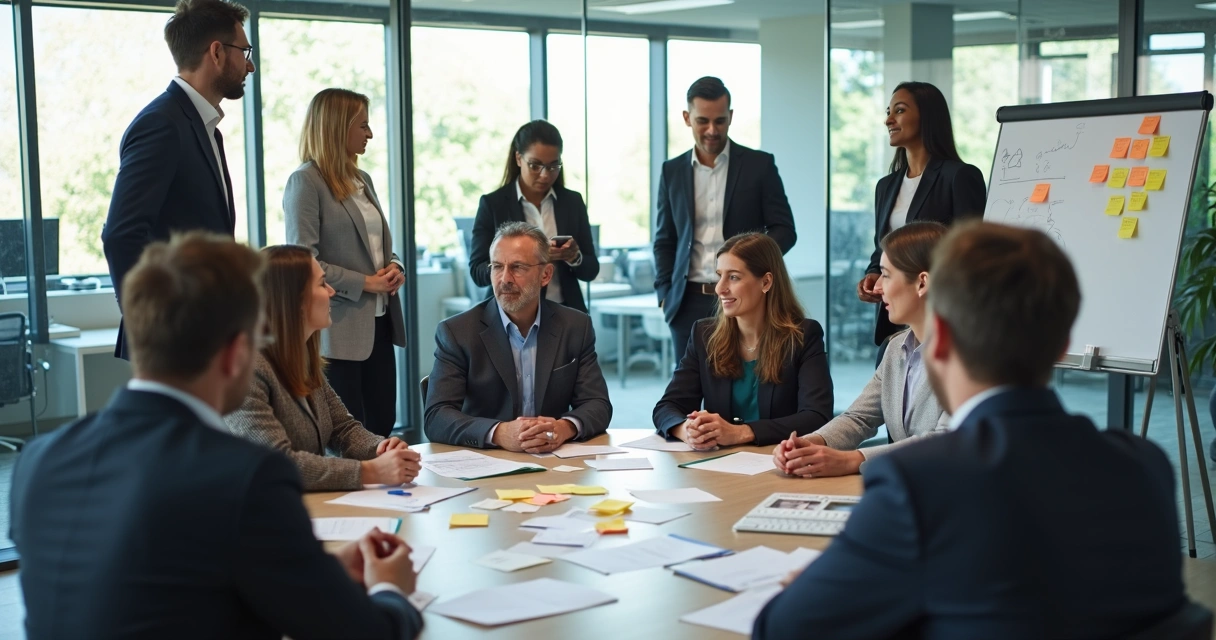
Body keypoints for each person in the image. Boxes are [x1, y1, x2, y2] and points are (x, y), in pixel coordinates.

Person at [754, 222, 1185, 639]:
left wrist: (822, 582)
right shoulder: (1145, 466)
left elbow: (782, 628)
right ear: (1060, 346)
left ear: (938, 340)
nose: (880, 287)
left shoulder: (917, 486)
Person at [11, 232, 422, 639]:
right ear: (235, 353)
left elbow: (165, 590)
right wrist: (391, 588)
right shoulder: (247, 477)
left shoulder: (38, 459)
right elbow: (362, 632)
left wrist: (320, 571)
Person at [102, 0, 255, 360]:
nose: (250, 64)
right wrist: (159, 327)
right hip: (178, 339)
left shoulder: (203, 128)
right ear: (216, 52)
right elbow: (122, 235)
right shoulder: (162, 124)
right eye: (244, 50)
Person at [226, 245, 421, 491]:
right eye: (321, 284)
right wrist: (370, 471)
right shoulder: (246, 371)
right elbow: (276, 463)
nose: (331, 292)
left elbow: (342, 429)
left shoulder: (302, 359)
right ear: (291, 299)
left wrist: (380, 448)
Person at [773, 222, 949, 477]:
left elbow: (946, 440)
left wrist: (851, 460)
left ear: (922, 283)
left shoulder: (971, 356)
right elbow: (858, 418)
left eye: (886, 275)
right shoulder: (895, 348)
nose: (877, 288)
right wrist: (811, 443)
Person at [425, 222, 611, 452]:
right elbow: (437, 416)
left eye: (518, 267)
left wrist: (562, 428)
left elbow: (598, 404)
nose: (505, 279)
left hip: (552, 460)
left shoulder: (575, 326)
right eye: (496, 267)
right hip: (486, 463)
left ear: (546, 275)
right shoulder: (457, 332)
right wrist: (500, 433)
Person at [285, 88, 405, 437]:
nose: (370, 134)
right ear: (337, 127)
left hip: (380, 324)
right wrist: (366, 282)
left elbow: (380, 246)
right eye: (363, 125)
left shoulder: (361, 179)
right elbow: (303, 259)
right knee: (348, 435)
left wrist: (395, 267)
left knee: (382, 427)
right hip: (338, 330)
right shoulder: (305, 181)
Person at [654, 76, 797, 354]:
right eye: (702, 121)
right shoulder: (671, 171)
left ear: (730, 117)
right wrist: (664, 294)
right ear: (687, 118)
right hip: (687, 302)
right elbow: (664, 239)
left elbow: (785, 230)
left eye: (719, 121)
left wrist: (750, 262)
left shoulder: (759, 165)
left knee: (745, 385)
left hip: (745, 298)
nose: (711, 130)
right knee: (688, 391)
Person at [653, 232, 831, 449]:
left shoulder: (803, 336)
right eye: (719, 275)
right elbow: (667, 407)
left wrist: (741, 433)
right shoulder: (703, 334)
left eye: (734, 277)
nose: (720, 288)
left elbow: (816, 416)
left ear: (766, 282)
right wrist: (686, 431)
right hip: (717, 466)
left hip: (778, 461)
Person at [857, 81, 986, 349]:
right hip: (894, 321)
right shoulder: (886, 186)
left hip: (941, 319)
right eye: (888, 111)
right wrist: (873, 274)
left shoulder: (960, 177)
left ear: (927, 117)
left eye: (900, 111)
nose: (888, 120)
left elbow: (971, 254)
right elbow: (882, 249)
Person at [469, 120, 599, 313]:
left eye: (554, 166)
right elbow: (477, 272)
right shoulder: (493, 204)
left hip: (564, 313)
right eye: (535, 165)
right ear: (518, 158)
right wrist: (510, 264)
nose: (545, 175)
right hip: (509, 317)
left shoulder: (572, 202)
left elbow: (591, 270)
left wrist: (574, 257)